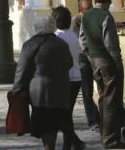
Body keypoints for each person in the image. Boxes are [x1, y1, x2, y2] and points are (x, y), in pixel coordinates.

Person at [14, 14, 80, 150]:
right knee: (56, 121)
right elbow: (69, 63)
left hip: (40, 92)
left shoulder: (30, 44)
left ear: (36, 27)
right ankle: (70, 143)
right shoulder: (61, 44)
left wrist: (17, 89)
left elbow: (22, 69)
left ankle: (50, 147)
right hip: (61, 89)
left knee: (46, 125)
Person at [80, 0, 125, 149]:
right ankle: (111, 140)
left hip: (94, 60)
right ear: (108, 1)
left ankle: (104, 134)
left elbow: (82, 40)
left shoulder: (86, 15)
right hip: (107, 60)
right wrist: (117, 62)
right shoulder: (106, 16)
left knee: (102, 97)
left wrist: (90, 55)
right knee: (112, 100)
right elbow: (111, 44)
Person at [51, 6, 84, 150]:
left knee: (59, 115)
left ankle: (75, 141)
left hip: (64, 79)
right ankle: (68, 145)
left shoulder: (58, 37)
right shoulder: (72, 36)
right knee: (66, 114)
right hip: (76, 77)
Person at [71, 0, 101, 132]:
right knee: (87, 91)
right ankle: (93, 121)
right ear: (81, 10)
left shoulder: (94, 19)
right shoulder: (77, 20)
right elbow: (78, 41)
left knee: (103, 88)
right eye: (87, 9)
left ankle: (103, 118)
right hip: (83, 58)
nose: (90, 11)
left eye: (91, 8)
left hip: (95, 56)